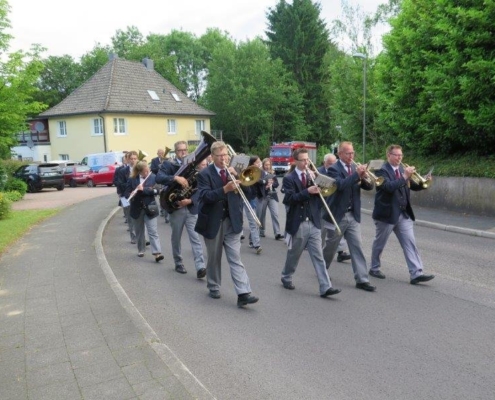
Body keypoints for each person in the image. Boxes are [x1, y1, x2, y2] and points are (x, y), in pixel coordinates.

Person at [195, 141, 259, 308]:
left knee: (235, 258)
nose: (223, 158)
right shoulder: (204, 174)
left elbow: (249, 194)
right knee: (214, 257)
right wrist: (224, 189)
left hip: (233, 221)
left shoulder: (235, 171)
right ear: (212, 157)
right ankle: (214, 286)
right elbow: (204, 196)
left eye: (225, 155)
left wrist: (239, 177)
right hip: (213, 221)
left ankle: (244, 293)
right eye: (219, 156)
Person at [369, 145, 435, 285]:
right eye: (396, 155)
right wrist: (405, 176)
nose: (400, 158)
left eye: (401, 155)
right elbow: (388, 187)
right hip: (387, 214)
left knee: (410, 243)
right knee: (380, 243)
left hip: (403, 213)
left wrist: (423, 181)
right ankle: (374, 268)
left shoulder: (401, 169)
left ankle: (416, 273)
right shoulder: (381, 170)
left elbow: (412, 185)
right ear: (389, 155)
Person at [280, 148, 341, 298]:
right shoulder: (289, 178)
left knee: (318, 256)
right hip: (298, 221)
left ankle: (325, 287)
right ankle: (286, 276)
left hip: (313, 221)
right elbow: (289, 199)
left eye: (307, 159)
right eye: (303, 160)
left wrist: (320, 184)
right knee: (294, 254)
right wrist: (308, 191)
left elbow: (320, 199)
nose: (306, 163)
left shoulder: (313, 175)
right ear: (295, 161)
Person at [321, 142, 376, 292]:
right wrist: (357, 175)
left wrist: (365, 178)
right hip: (338, 214)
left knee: (357, 247)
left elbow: (369, 187)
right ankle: (322, 270)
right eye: (348, 153)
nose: (351, 156)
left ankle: (362, 279)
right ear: (340, 154)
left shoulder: (354, 168)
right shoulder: (333, 169)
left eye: (352, 153)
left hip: (353, 214)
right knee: (331, 247)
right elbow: (340, 185)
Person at [156, 141, 206, 277]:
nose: (183, 152)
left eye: (185, 150)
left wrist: (190, 200)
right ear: (176, 151)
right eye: (180, 150)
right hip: (176, 206)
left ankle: (200, 266)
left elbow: (199, 187)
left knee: (195, 237)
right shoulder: (169, 164)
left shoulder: (193, 164)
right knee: (176, 237)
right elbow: (159, 177)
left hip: (190, 207)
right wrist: (175, 178)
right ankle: (178, 262)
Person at [124, 161, 163, 262]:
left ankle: (157, 253)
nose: (147, 173)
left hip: (150, 208)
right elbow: (126, 193)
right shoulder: (132, 179)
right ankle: (141, 249)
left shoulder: (153, 177)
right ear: (139, 171)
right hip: (136, 208)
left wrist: (144, 189)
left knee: (153, 231)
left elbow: (158, 191)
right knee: (139, 231)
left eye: (147, 170)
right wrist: (131, 194)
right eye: (144, 172)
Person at [318, 153, 351, 262]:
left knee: (336, 230)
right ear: (324, 163)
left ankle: (341, 252)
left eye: (333, 163)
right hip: (322, 204)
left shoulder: (337, 171)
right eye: (329, 163)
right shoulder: (319, 171)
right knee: (322, 230)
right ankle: (318, 250)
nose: (332, 165)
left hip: (334, 205)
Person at [256, 158, 283, 240]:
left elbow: (277, 184)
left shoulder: (272, 173)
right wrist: (266, 185)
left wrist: (272, 183)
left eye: (269, 165)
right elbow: (258, 185)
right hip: (263, 196)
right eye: (266, 165)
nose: (267, 166)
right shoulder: (260, 173)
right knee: (262, 215)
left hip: (272, 196)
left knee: (275, 214)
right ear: (263, 165)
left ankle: (277, 233)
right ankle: (262, 231)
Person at [115, 151, 138, 244]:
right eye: (131, 159)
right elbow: (120, 183)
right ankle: (133, 237)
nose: (133, 160)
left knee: (140, 218)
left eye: (135, 159)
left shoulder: (140, 169)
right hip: (126, 196)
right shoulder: (122, 171)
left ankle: (141, 237)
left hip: (138, 196)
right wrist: (131, 186)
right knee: (130, 217)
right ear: (128, 160)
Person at [244, 156, 262, 253]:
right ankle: (257, 244)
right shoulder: (248, 172)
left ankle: (252, 241)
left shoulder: (259, 172)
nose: (259, 163)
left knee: (256, 221)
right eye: (257, 162)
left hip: (255, 198)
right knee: (253, 222)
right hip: (248, 199)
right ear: (252, 163)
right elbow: (247, 186)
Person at [150, 148, 170, 222]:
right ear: (157, 153)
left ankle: (165, 212)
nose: (161, 154)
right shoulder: (154, 160)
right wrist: (159, 166)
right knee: (160, 195)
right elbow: (152, 169)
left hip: (165, 180)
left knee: (165, 195)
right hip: (158, 180)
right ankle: (162, 209)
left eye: (162, 153)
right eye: (160, 153)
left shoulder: (167, 159)